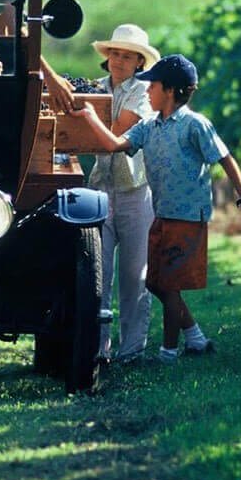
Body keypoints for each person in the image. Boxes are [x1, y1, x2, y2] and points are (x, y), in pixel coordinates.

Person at [70, 54, 241, 364]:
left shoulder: (194, 125)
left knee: (168, 284)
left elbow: (225, 158)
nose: (147, 91)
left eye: (153, 86)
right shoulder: (150, 126)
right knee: (156, 283)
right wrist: (90, 116)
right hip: (162, 215)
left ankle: (168, 354)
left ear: (170, 91)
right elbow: (113, 145)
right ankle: (196, 338)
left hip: (187, 217)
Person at [87, 24, 161, 364]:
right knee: (97, 273)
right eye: (115, 53)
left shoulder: (142, 93)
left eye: (127, 56)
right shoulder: (95, 88)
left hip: (134, 190)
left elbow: (117, 133)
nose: (119, 60)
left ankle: (131, 349)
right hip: (101, 187)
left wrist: (84, 118)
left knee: (135, 274)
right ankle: (96, 347)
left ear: (138, 62)